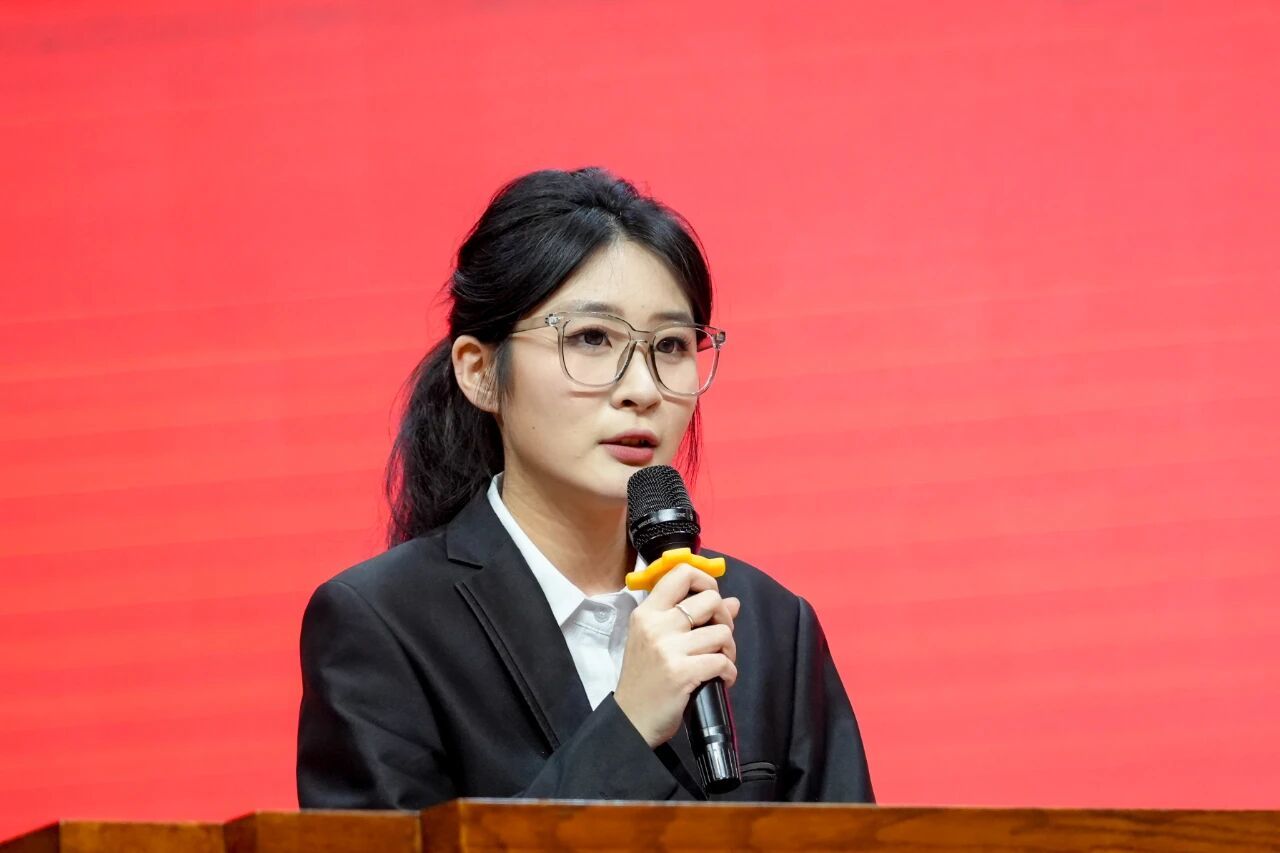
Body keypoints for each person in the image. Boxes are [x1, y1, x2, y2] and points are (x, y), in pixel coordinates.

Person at [296, 167, 874, 807]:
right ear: (480, 371)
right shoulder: (383, 625)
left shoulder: (770, 624)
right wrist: (628, 727)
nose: (643, 390)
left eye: (671, 345)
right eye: (591, 338)